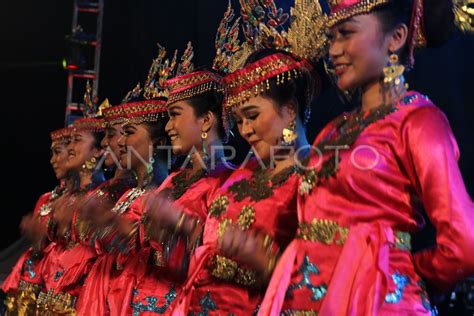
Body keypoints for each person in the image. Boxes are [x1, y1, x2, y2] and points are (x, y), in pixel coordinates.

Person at [260, 0, 474, 314]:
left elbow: (465, 243)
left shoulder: (417, 122)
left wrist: (401, 271)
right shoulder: (333, 130)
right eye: (331, 38)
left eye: (346, 33)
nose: (333, 51)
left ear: (397, 37)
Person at [171, 2, 327, 313]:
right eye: (239, 120)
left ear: (291, 110)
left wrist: (268, 264)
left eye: (253, 116)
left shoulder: (316, 176)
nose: (245, 130)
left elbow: (326, 276)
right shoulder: (241, 176)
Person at [75, 46, 172, 315]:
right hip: (102, 295)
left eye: (128, 132)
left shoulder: (167, 193)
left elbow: (163, 256)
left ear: (158, 141)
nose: (119, 142)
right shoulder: (127, 192)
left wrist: (113, 228)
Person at [36, 84, 107, 315]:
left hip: (81, 297)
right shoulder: (68, 196)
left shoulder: (103, 195)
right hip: (51, 289)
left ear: (97, 151)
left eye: (76, 141)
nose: (70, 148)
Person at [2, 126, 74, 315]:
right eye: (52, 153)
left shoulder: (83, 201)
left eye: (58, 152)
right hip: (31, 281)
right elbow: (38, 243)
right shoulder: (46, 199)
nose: (53, 160)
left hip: (59, 285)